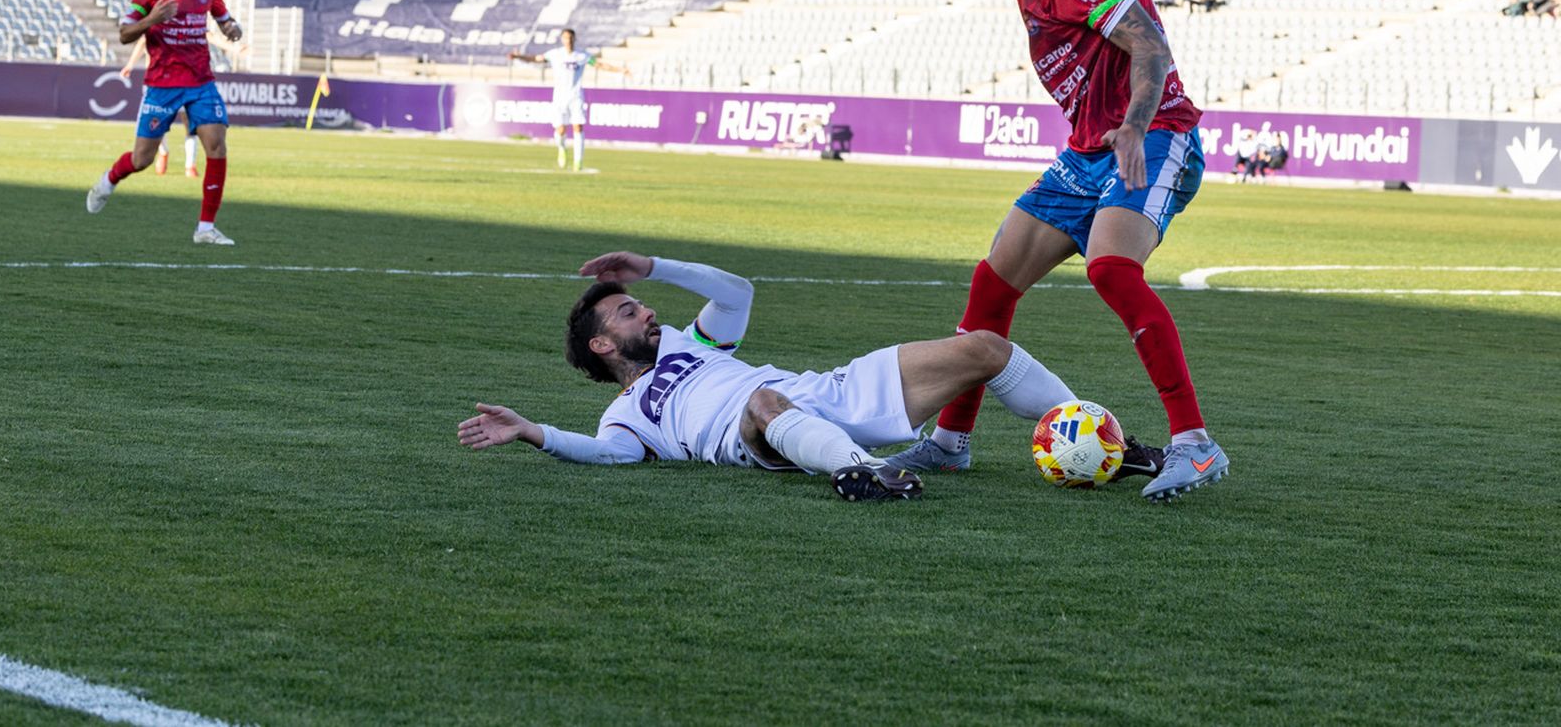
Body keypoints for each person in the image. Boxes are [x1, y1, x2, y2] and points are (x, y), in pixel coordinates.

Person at [886, 0, 1227, 504]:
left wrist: (1133, 127)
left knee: (1113, 271)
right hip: (1087, 151)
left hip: (1152, 135)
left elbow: (1150, 43)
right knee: (994, 280)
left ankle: (1195, 445)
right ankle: (949, 442)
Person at [455, 251, 1169, 502]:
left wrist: (653, 265)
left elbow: (736, 292)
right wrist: (534, 432)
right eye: (626, 310)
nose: (645, 310)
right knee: (764, 398)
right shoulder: (628, 414)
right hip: (761, 434)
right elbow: (608, 453)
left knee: (983, 346)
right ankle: (864, 472)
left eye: (636, 300)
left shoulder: (686, 341)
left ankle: (1104, 442)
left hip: (825, 391)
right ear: (604, 345)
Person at [86, 0, 241, 245]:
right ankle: (108, 180)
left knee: (216, 144)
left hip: (200, 81)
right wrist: (153, 18)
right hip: (162, 84)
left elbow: (225, 20)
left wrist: (232, 30)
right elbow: (125, 34)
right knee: (142, 159)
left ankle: (205, 228)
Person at [508, 28, 628, 172]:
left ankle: (578, 162)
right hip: (559, 97)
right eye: (565, 38)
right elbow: (536, 59)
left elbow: (600, 65)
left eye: (570, 38)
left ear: (574, 39)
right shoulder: (555, 54)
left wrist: (620, 70)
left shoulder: (581, 56)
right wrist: (518, 57)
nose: (568, 40)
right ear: (562, 39)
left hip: (576, 96)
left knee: (578, 127)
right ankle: (562, 148)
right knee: (560, 129)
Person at [121, 39, 203, 178]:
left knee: (190, 125)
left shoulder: (186, 27)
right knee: (156, 124)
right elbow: (142, 42)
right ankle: (163, 151)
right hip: (157, 85)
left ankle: (190, 165)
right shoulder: (157, 26)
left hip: (184, 84)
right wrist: (130, 64)